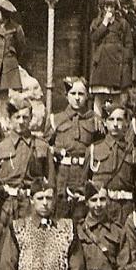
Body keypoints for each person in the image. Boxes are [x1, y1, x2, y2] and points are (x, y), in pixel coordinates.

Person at [0, 178, 85, 270]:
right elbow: (7, 267)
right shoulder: (18, 228)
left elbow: (77, 269)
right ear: (32, 200)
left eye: (49, 198)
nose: (45, 203)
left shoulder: (68, 228)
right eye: (40, 198)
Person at [0, 98, 52, 224]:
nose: (21, 121)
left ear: (31, 118)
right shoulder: (0, 147)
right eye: (17, 117)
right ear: (10, 119)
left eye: (25, 117)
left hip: (32, 206)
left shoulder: (42, 146)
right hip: (6, 206)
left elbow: (51, 181)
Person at [46, 77, 104, 219]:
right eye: (73, 93)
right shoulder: (56, 119)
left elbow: (101, 149)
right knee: (60, 215)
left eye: (81, 94)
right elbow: (45, 146)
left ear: (87, 96)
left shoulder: (94, 120)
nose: (77, 98)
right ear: (66, 96)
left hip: (83, 174)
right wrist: (55, 151)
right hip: (62, 175)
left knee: (81, 216)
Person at [87, 104, 136, 224]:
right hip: (101, 210)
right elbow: (85, 183)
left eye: (119, 119)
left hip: (126, 210)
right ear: (105, 122)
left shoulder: (133, 152)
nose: (115, 124)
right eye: (111, 119)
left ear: (126, 124)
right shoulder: (94, 149)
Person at [90, 0, 134, 114]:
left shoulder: (122, 24)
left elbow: (129, 45)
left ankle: (114, 122)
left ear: (116, 8)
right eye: (106, 6)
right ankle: (97, 123)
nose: (109, 9)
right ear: (102, 8)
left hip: (116, 65)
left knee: (116, 98)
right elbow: (94, 38)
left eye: (112, 7)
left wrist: (124, 61)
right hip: (102, 64)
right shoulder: (97, 23)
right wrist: (105, 23)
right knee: (99, 96)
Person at [0, 0, 26, 118]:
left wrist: (12, 57)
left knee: (4, 94)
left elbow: (21, 45)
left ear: (5, 15)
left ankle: (4, 119)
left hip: (7, 64)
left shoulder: (15, 28)